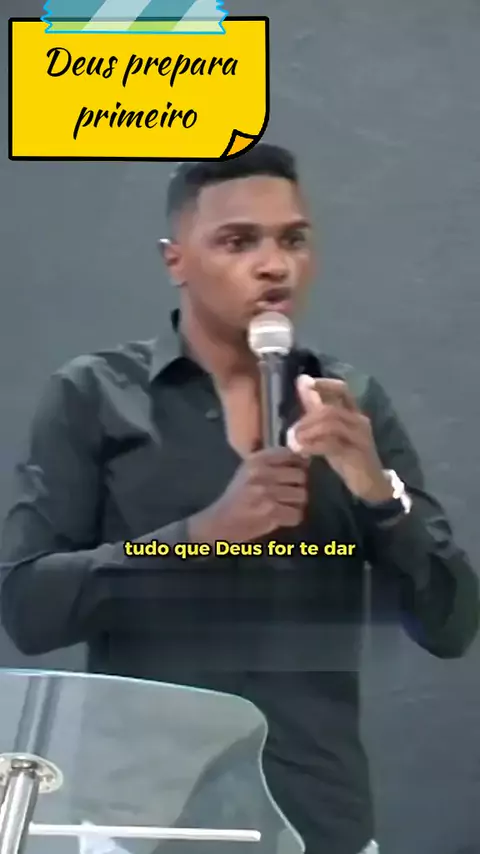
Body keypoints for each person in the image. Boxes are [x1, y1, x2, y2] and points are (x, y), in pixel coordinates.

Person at [0, 143, 478, 854]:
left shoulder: (351, 405)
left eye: (293, 240)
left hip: (317, 820)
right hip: (144, 824)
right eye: (238, 241)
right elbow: (27, 606)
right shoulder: (93, 396)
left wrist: (377, 492)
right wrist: (200, 535)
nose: (274, 265)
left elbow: (451, 623)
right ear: (176, 260)